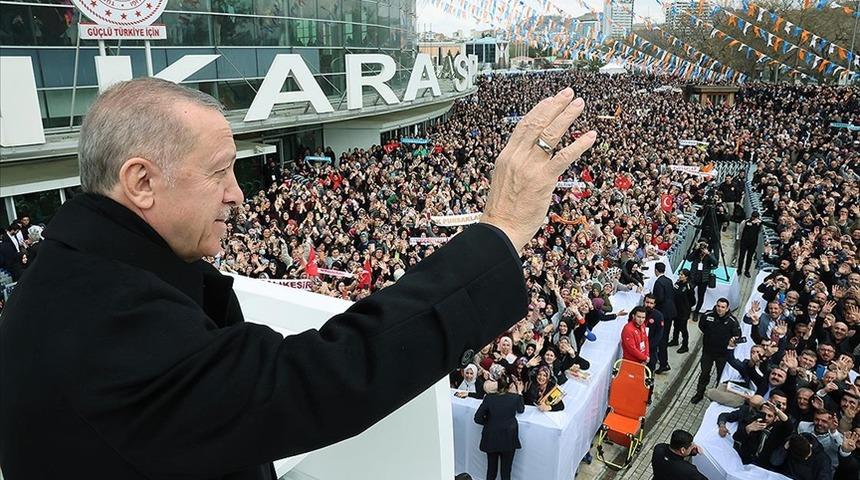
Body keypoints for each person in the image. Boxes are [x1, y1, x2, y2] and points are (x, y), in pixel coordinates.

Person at [0, 78, 598, 478]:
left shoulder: (82, 272)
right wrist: (500, 233)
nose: (238, 195)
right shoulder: (99, 312)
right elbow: (317, 379)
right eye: (220, 172)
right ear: (141, 182)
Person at [473, 374, 525, 480]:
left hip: (491, 437)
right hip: (508, 438)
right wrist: (520, 392)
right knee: (506, 472)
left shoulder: (489, 398)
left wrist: (489, 422)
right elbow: (521, 409)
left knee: (491, 470)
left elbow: (477, 418)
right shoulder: (514, 398)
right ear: (509, 386)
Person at [691, 298, 741, 404]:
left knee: (720, 376)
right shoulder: (707, 315)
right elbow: (702, 326)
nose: (720, 309)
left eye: (723, 307)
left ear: (727, 309)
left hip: (722, 355)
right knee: (704, 373)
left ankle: (716, 396)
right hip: (708, 352)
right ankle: (699, 394)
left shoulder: (732, 321)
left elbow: (737, 335)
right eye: (718, 306)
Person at [652, 263, 676, 373]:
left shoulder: (658, 282)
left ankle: (663, 363)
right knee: (664, 337)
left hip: (663, 313)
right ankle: (662, 360)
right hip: (670, 311)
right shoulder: (669, 280)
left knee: (661, 339)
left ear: (656, 270)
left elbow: (660, 298)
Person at [686, 241, 718, 319]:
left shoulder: (709, 254)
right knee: (688, 292)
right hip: (693, 277)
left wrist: (708, 254)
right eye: (701, 245)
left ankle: (696, 312)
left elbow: (715, 263)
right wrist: (695, 250)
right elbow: (689, 259)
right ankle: (688, 308)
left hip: (703, 279)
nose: (702, 247)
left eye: (704, 245)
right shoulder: (696, 253)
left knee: (701, 296)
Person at [669, 268, 695, 353]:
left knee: (683, 328)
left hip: (683, 311)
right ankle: (675, 340)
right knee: (676, 325)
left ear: (686, 277)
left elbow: (692, 300)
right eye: (679, 274)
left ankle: (685, 345)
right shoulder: (677, 283)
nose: (680, 276)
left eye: (682, 275)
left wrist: (686, 306)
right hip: (676, 309)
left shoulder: (688, 287)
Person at [644, 294, 668, 374]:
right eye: (647, 302)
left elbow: (659, 335)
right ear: (644, 302)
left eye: (651, 303)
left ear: (654, 305)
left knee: (649, 373)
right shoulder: (638, 312)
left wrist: (649, 347)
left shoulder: (658, 316)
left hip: (651, 349)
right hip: (638, 348)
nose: (649, 305)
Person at [736, 211, 762, 278]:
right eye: (753, 217)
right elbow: (741, 230)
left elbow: (759, 231)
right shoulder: (746, 221)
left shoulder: (759, 223)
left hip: (753, 243)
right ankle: (739, 269)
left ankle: (747, 270)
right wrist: (740, 239)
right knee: (741, 256)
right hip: (744, 241)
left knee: (749, 257)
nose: (754, 219)